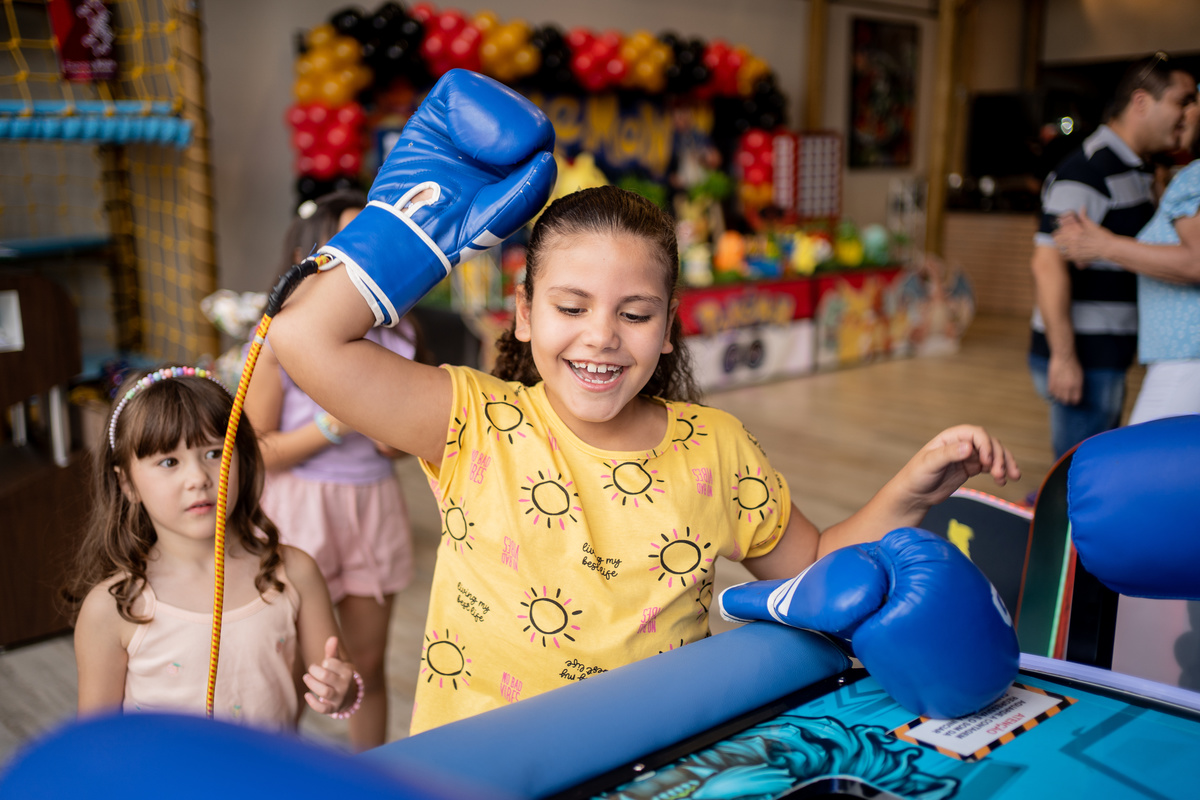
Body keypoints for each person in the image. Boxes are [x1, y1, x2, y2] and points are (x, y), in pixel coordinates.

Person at [268, 184, 1020, 734]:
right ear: (524, 314)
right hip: (480, 767)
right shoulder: (472, 419)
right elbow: (301, 337)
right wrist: (414, 225)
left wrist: (911, 491)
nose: (602, 335)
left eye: (634, 314)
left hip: (652, 762)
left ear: (667, 329)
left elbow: (816, 569)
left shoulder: (717, 446)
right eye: (571, 307)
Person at [68, 367, 362, 732]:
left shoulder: (294, 572)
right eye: (169, 462)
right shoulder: (112, 608)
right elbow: (95, 743)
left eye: (214, 452)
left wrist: (341, 691)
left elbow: (344, 683)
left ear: (242, 458)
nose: (199, 478)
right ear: (127, 483)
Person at [243, 189, 424, 749]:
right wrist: (333, 424)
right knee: (295, 668)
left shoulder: (400, 333)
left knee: (365, 664)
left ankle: (373, 778)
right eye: (346, 242)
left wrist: (392, 433)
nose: (361, 256)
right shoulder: (278, 333)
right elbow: (257, 450)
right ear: (311, 252)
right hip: (298, 511)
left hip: (372, 505)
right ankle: (285, 776)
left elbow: (400, 444)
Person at [1028, 52, 1195, 459]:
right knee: (1085, 471)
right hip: (1085, 355)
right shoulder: (1086, 170)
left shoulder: (1139, 169)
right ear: (1141, 102)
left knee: (1104, 463)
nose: (1189, 113)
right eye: (1182, 101)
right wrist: (1065, 357)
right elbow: (1046, 263)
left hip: (1110, 352)